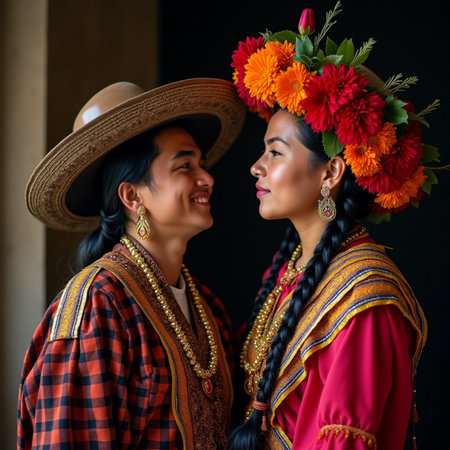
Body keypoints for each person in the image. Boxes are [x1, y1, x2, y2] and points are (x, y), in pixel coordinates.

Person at [228, 2, 444, 449]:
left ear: (330, 173)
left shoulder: (365, 296)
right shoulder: (292, 269)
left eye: (275, 152)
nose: (256, 167)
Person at [18, 78, 245, 449]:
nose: (207, 178)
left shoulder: (208, 308)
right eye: (184, 166)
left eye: (200, 164)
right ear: (132, 196)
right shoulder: (97, 305)